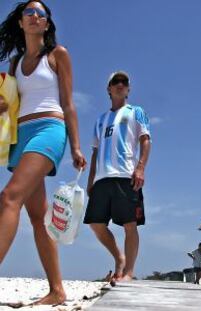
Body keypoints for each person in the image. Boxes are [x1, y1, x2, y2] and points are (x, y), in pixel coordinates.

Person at [0, 0, 86, 306]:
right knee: (38, 218)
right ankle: (57, 290)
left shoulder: (57, 55)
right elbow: (10, 104)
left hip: (49, 130)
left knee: (9, 197)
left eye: (41, 14)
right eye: (29, 13)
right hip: (20, 136)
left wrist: (75, 145)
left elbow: (69, 103)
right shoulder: (13, 64)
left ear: (46, 24)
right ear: (21, 23)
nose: (35, 16)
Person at [83, 71, 151, 283]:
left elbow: (145, 140)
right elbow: (94, 152)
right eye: (116, 82)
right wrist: (91, 179)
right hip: (102, 179)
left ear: (128, 89)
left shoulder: (136, 112)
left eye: (124, 82)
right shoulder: (100, 120)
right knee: (95, 223)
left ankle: (128, 273)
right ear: (109, 89)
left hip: (126, 176)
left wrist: (140, 167)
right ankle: (119, 258)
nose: (120, 84)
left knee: (130, 224)